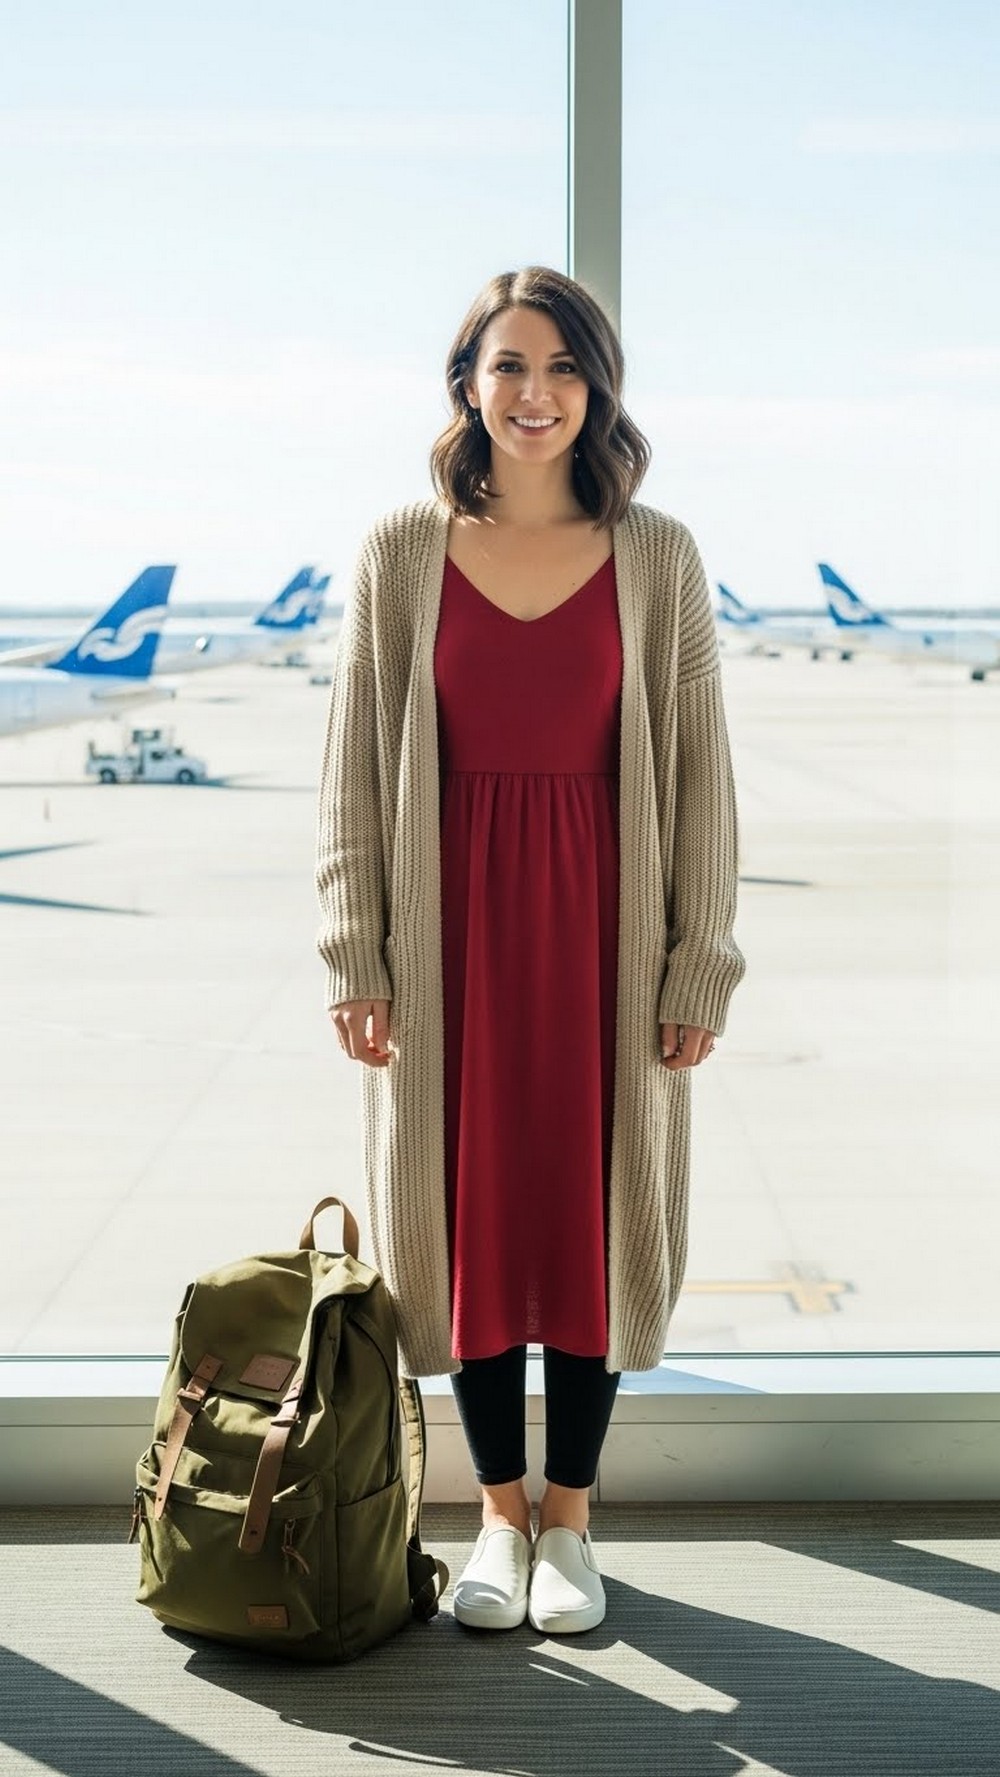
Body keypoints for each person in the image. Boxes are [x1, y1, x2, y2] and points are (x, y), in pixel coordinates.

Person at [315, 265, 746, 1638]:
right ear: (468, 384)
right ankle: (497, 1515)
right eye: (509, 364)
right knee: (472, 1225)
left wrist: (697, 961)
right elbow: (352, 770)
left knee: (593, 1221)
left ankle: (572, 1519)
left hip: (606, 941)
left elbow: (702, 779)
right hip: (449, 943)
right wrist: (356, 950)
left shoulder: (658, 554)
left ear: (598, 389)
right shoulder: (401, 551)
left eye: (563, 367)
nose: (536, 393)